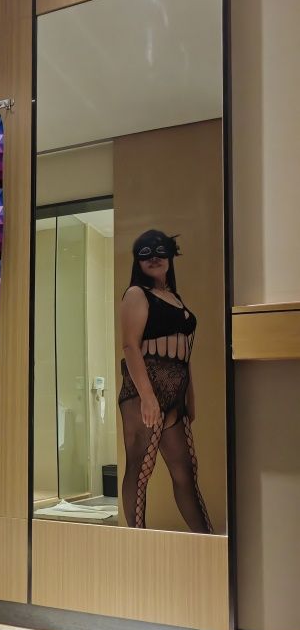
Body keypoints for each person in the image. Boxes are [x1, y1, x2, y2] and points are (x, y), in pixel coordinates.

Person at [118, 229, 213, 534]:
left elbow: (184, 355)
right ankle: (137, 542)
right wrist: (147, 397)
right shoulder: (136, 293)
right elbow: (130, 346)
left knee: (185, 470)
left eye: (160, 250)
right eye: (145, 252)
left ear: (171, 256)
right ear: (137, 260)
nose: (154, 257)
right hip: (145, 390)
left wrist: (189, 397)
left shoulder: (174, 297)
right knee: (140, 468)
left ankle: (205, 540)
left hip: (175, 393)